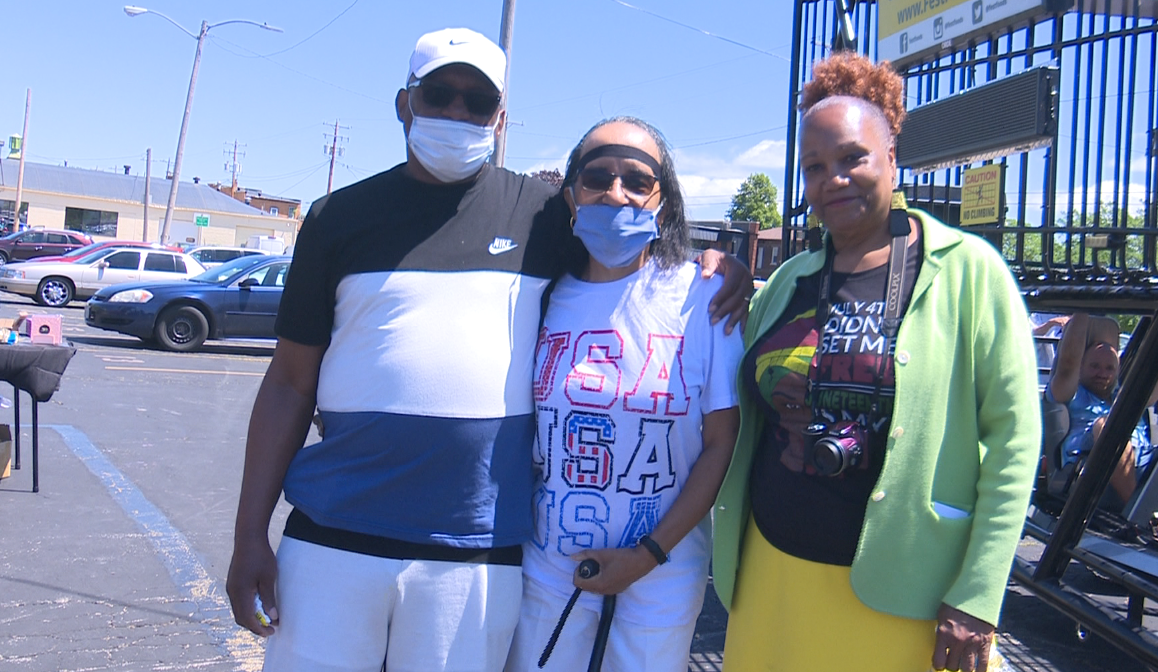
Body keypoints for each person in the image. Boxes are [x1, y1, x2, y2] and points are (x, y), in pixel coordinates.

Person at [224, 28, 750, 672]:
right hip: (336, 534)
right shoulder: (337, 216)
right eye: (439, 94)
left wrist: (722, 264)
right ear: (403, 103)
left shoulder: (541, 217)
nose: (456, 112)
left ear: (499, 118)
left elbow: (628, 249)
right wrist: (250, 533)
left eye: (477, 102)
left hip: (477, 549)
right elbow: (287, 382)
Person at [710, 52, 1041, 672]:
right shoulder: (787, 282)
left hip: (903, 600)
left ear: (892, 157)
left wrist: (978, 596)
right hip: (771, 580)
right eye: (814, 167)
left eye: (852, 158)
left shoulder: (969, 271)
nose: (832, 179)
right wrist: (713, 270)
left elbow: (1015, 443)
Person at [502, 117, 742, 671]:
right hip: (549, 568)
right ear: (570, 196)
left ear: (664, 200)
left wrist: (647, 555)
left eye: (637, 180)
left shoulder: (705, 299)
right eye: (597, 177)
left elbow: (719, 445)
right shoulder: (537, 300)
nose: (616, 192)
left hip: (662, 573)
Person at [1051, 313, 1158, 537]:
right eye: (1094, 366)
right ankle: (1139, 513)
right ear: (1081, 366)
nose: (1102, 373)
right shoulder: (1069, 393)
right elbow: (1067, 363)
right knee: (1108, 425)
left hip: (1142, 467)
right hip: (1091, 471)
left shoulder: (1126, 394)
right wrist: (1083, 310)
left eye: (1109, 368)